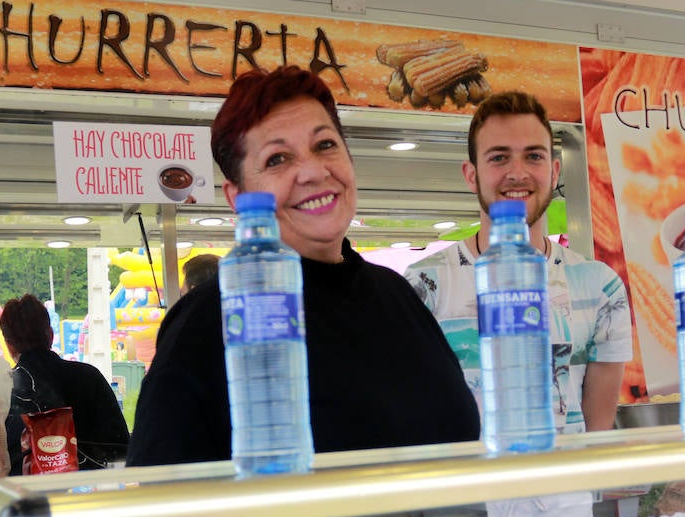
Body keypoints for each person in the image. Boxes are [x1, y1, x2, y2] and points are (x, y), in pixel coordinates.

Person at [127, 66, 479, 467]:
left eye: (325, 145)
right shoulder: (207, 322)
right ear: (237, 197)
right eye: (277, 158)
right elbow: (164, 505)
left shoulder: (396, 294)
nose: (312, 171)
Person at [406, 91, 632, 434]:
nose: (517, 173)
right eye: (498, 158)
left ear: (554, 171)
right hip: (471, 486)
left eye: (533, 156)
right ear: (471, 175)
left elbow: (598, 433)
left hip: (566, 485)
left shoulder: (600, 285)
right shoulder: (424, 284)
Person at [0, 293, 130, 474]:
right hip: (95, 493)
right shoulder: (89, 377)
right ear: (50, 336)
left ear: (8, 345)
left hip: (27, 497)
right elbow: (121, 449)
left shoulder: (3, 389)